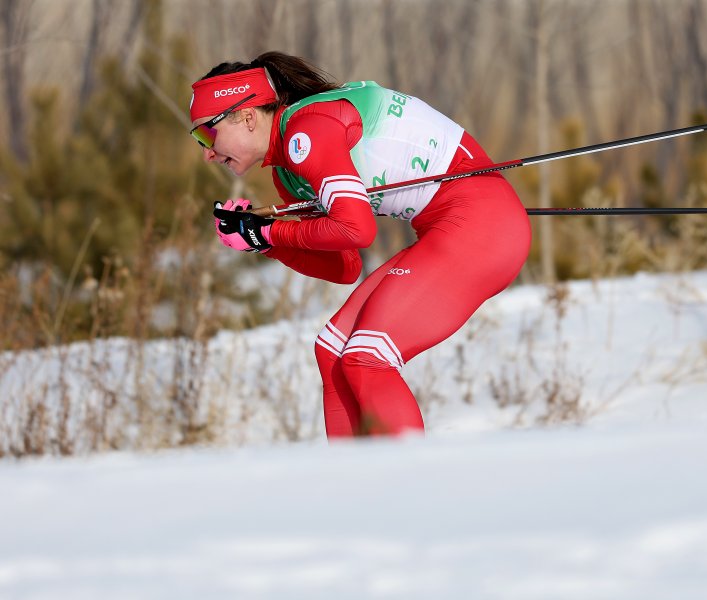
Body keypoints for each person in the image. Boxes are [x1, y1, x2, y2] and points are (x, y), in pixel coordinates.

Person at [189, 51, 531, 438]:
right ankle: (353, 488)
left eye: (207, 134)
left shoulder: (309, 129)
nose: (207, 153)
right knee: (333, 352)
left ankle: (406, 485)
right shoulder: (289, 171)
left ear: (247, 116)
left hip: (482, 224)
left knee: (367, 357)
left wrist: (268, 232)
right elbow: (343, 265)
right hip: (450, 229)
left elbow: (356, 229)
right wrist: (264, 242)